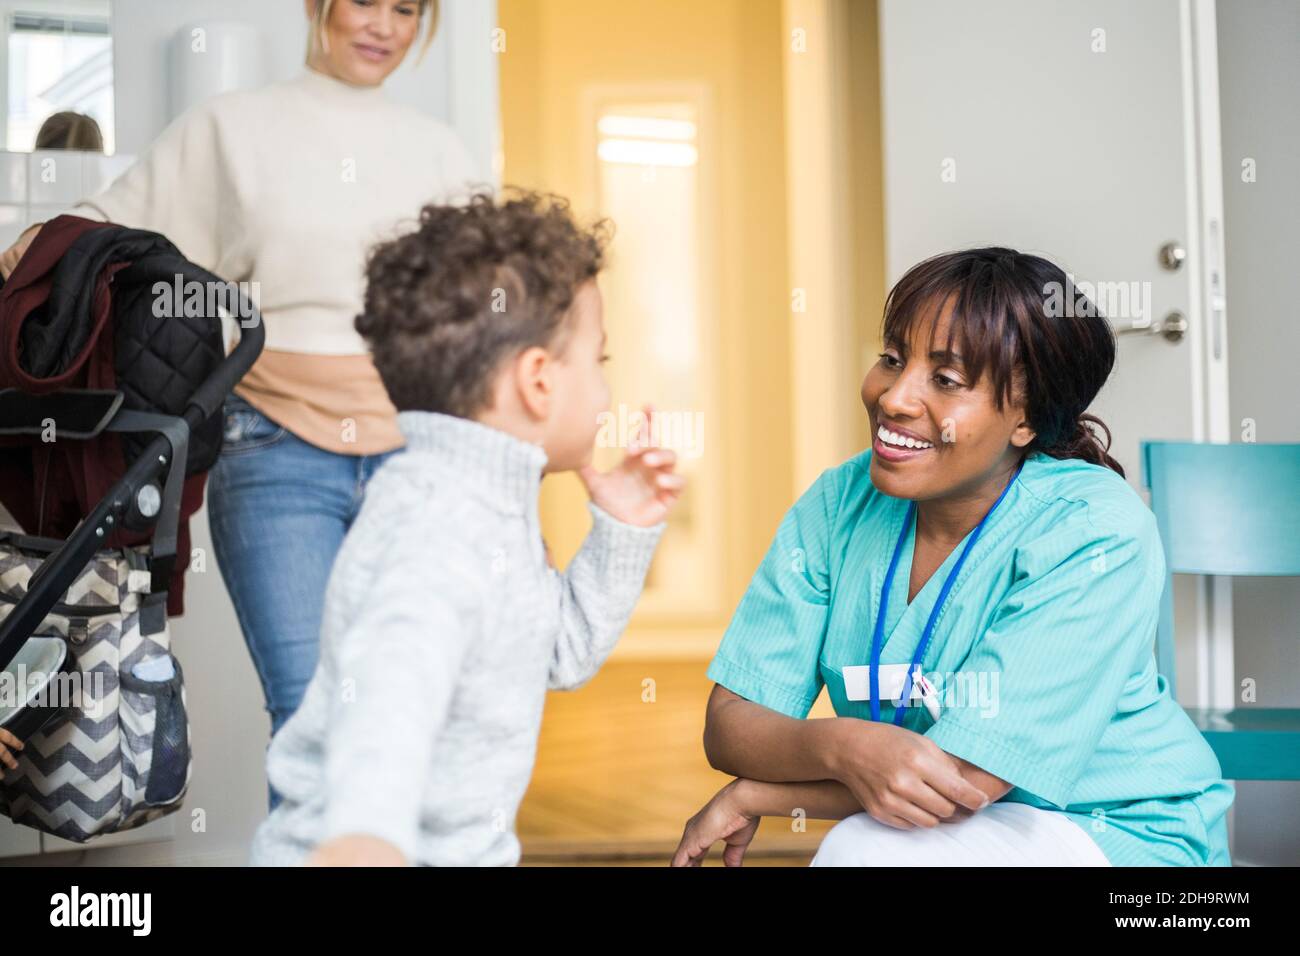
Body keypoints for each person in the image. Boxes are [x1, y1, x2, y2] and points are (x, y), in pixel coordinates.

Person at [0, 1, 482, 807]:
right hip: (272, 447)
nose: (385, 25)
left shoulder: (443, 153)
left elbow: (487, 310)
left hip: (415, 457)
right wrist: (37, 251)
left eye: (408, 9)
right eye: (368, 0)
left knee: (415, 713)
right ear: (319, 6)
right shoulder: (231, 127)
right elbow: (115, 225)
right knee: (307, 713)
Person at [673, 247, 1234, 867]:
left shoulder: (1096, 530)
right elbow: (730, 723)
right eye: (892, 358)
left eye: (945, 380)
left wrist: (765, 791)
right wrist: (842, 744)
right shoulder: (839, 504)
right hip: (941, 828)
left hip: (1116, 834)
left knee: (868, 850)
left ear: (1025, 419)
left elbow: (962, 782)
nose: (893, 398)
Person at [249, 189, 684, 866]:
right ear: (539, 382)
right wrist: (364, 839)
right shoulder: (438, 528)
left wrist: (619, 532)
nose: (606, 391)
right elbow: (391, 694)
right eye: (598, 362)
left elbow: (557, 653)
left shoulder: (489, 505)